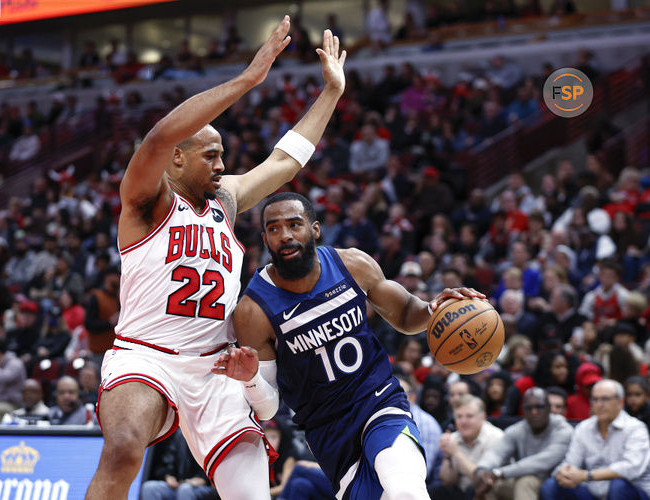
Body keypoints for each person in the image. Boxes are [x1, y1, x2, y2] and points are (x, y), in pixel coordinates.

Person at [87, 19, 347, 500]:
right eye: (211, 154)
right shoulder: (147, 200)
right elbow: (160, 136)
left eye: (223, 154)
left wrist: (331, 92)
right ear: (178, 159)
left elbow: (284, 163)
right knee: (123, 449)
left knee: (248, 492)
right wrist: (248, 80)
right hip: (147, 358)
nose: (223, 165)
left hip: (217, 369)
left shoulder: (224, 201)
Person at [213, 193, 485, 499]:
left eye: (294, 224)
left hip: (378, 400)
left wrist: (434, 309)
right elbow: (268, 408)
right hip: (329, 431)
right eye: (274, 229)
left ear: (315, 229)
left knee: (405, 490)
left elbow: (407, 313)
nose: (285, 235)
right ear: (264, 239)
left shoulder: (352, 264)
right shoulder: (253, 310)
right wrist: (250, 379)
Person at [541, 379, 650, 500]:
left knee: (617, 486)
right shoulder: (584, 428)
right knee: (551, 485)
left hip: (630, 490)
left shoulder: (635, 428)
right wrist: (563, 473)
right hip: (593, 492)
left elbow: (631, 468)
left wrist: (586, 475)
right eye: (595, 399)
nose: (599, 404)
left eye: (605, 399)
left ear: (620, 402)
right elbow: (571, 461)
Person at [474, 388, 573, 500]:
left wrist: (499, 472)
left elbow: (540, 462)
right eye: (528, 408)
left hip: (553, 482)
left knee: (526, 482)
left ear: (549, 408)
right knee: (489, 484)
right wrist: (482, 468)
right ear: (523, 410)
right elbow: (497, 453)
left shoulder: (563, 429)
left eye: (539, 407)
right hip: (521, 477)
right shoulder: (518, 429)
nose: (534, 412)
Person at [430, 395, 504, 500]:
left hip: (490, 491)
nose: (463, 421)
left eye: (469, 416)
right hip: (462, 491)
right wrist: (447, 456)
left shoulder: (496, 437)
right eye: (459, 417)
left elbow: (483, 480)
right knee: (436, 490)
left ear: (483, 417)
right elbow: (447, 481)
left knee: (474, 490)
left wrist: (456, 453)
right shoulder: (453, 438)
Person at [140, 428, 218, 500]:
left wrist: (203, 480)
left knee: (185, 489)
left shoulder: (208, 438)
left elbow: (211, 471)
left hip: (201, 487)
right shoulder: (179, 436)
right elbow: (168, 461)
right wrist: (169, 476)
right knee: (149, 488)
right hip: (179, 485)